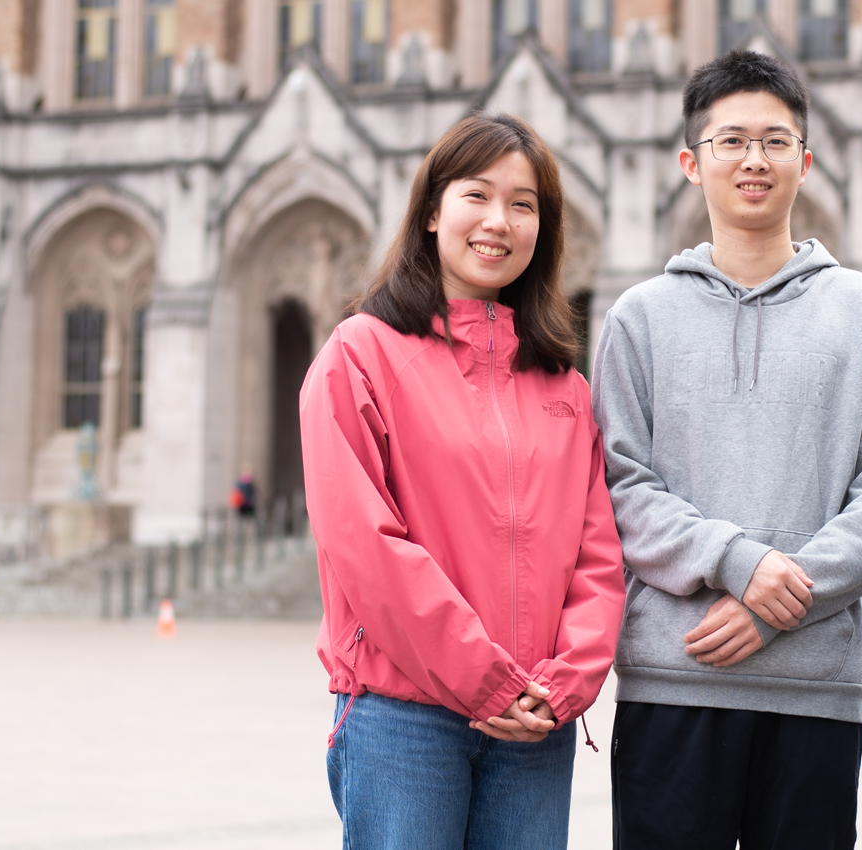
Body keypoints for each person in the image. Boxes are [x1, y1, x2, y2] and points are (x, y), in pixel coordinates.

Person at [592, 50, 862, 849]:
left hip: (816, 689)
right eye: (731, 141)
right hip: (675, 678)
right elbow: (618, 485)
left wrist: (780, 605)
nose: (753, 160)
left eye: (775, 142)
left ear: (805, 163)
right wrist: (738, 561)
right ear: (690, 163)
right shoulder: (638, 317)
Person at [300, 112, 625, 850]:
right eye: (477, 195)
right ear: (432, 212)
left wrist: (564, 684)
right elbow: (362, 543)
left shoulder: (565, 386)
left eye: (523, 203)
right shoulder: (361, 355)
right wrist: (484, 680)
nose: (498, 221)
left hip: (535, 726)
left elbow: (599, 556)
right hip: (402, 717)